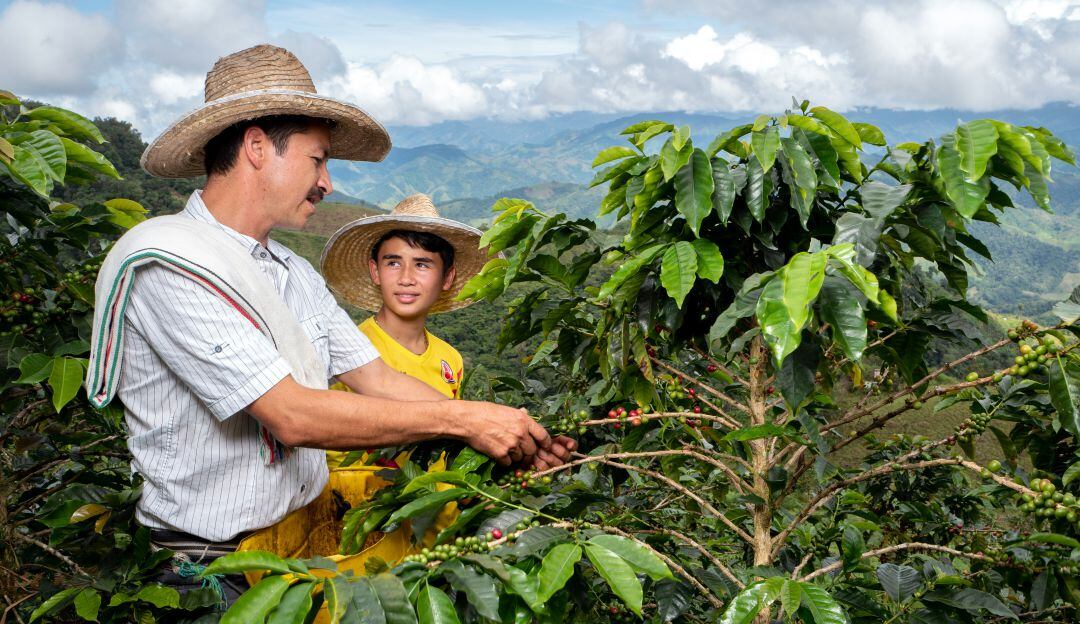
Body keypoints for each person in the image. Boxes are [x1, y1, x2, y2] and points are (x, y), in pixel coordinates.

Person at [84, 44, 574, 605]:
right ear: (257, 147)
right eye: (318, 159)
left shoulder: (292, 273)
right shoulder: (172, 264)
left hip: (296, 548)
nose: (327, 182)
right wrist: (464, 419)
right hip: (209, 567)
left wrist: (515, 435)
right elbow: (291, 415)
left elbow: (378, 379)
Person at [320, 193, 488, 470]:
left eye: (422, 264)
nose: (406, 278)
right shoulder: (350, 350)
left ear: (447, 277)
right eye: (393, 263)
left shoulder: (450, 359)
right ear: (375, 271)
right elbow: (334, 453)